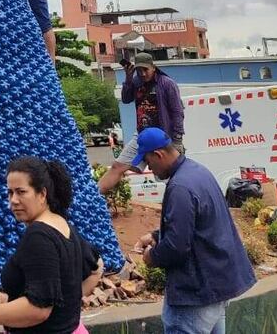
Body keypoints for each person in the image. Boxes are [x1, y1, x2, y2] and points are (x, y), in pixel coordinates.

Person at [0, 156, 102, 334]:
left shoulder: (39, 236)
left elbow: (38, 309)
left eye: (21, 192)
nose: (13, 200)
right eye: (10, 193)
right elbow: (96, 268)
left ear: (42, 194)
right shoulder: (62, 225)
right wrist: (64, 310)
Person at [133, 128, 255, 334]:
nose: (149, 169)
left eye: (147, 161)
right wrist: (155, 236)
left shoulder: (180, 186)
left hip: (195, 296)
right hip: (216, 288)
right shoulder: (198, 172)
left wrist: (151, 257)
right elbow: (200, 222)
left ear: (159, 155)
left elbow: (176, 247)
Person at [98, 51, 184, 195]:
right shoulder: (136, 82)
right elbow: (125, 99)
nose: (143, 73)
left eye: (146, 69)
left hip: (163, 138)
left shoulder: (166, 84)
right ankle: (91, 198)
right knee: (117, 166)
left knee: (171, 176)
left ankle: (178, 203)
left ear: (153, 68)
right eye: (139, 70)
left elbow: (177, 112)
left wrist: (177, 139)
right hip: (141, 136)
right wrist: (129, 78)